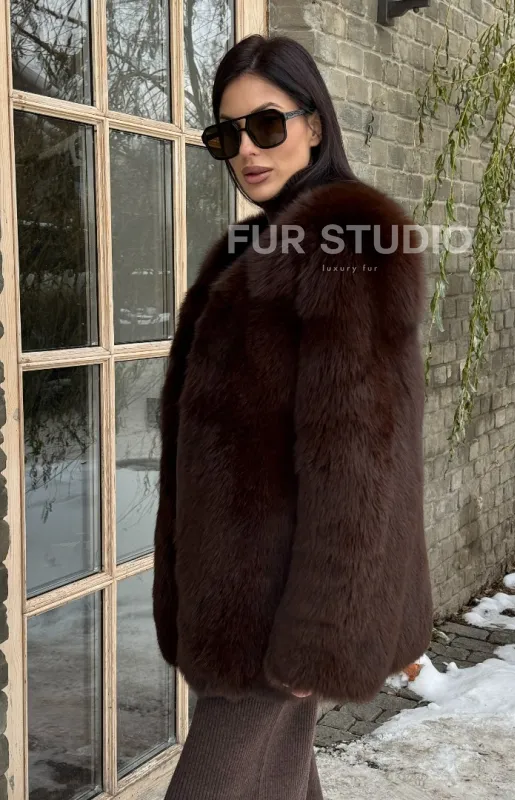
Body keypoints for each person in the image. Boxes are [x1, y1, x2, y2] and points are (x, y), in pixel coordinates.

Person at [153, 32, 434, 800]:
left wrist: (322, 632)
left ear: (314, 124)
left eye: (266, 124)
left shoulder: (342, 250)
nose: (246, 148)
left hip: (280, 612)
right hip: (245, 601)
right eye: (228, 133)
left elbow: (362, 459)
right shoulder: (256, 249)